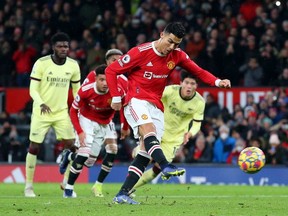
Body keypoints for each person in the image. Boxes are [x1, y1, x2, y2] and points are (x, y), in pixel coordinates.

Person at [105, 22, 231, 204]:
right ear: (161, 34)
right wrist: (116, 97)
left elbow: (199, 71)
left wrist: (218, 82)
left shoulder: (177, 55)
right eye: (170, 41)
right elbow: (111, 70)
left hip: (156, 105)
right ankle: (165, 165)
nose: (171, 47)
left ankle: (122, 194)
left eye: (176, 44)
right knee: (148, 131)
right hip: (136, 100)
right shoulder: (140, 52)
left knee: (145, 153)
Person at [59, 49, 126, 197]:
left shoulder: (122, 82)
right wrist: (80, 131)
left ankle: (69, 157)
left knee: (91, 161)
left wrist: (124, 125)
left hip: (106, 121)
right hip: (88, 119)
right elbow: (77, 105)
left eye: (120, 60)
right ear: (107, 61)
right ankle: (69, 189)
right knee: (84, 152)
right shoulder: (91, 80)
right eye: (114, 60)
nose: (118, 63)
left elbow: (124, 104)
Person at [24, 32, 81, 197]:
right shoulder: (41, 64)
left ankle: (66, 184)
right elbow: (33, 89)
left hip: (61, 112)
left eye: (66, 46)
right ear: (53, 47)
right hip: (41, 112)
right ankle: (28, 187)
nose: (64, 49)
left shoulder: (73, 65)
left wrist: (79, 105)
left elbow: (76, 90)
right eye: (60, 46)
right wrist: (40, 102)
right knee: (34, 146)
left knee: (73, 147)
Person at [132, 71, 207, 189]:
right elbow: (152, 99)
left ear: (196, 86)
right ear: (181, 82)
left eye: (192, 83)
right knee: (145, 158)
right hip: (157, 130)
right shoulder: (170, 91)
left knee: (159, 167)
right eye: (187, 82)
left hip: (174, 139)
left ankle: (130, 188)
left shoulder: (199, 102)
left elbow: (197, 124)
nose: (189, 86)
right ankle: (136, 152)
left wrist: (190, 133)